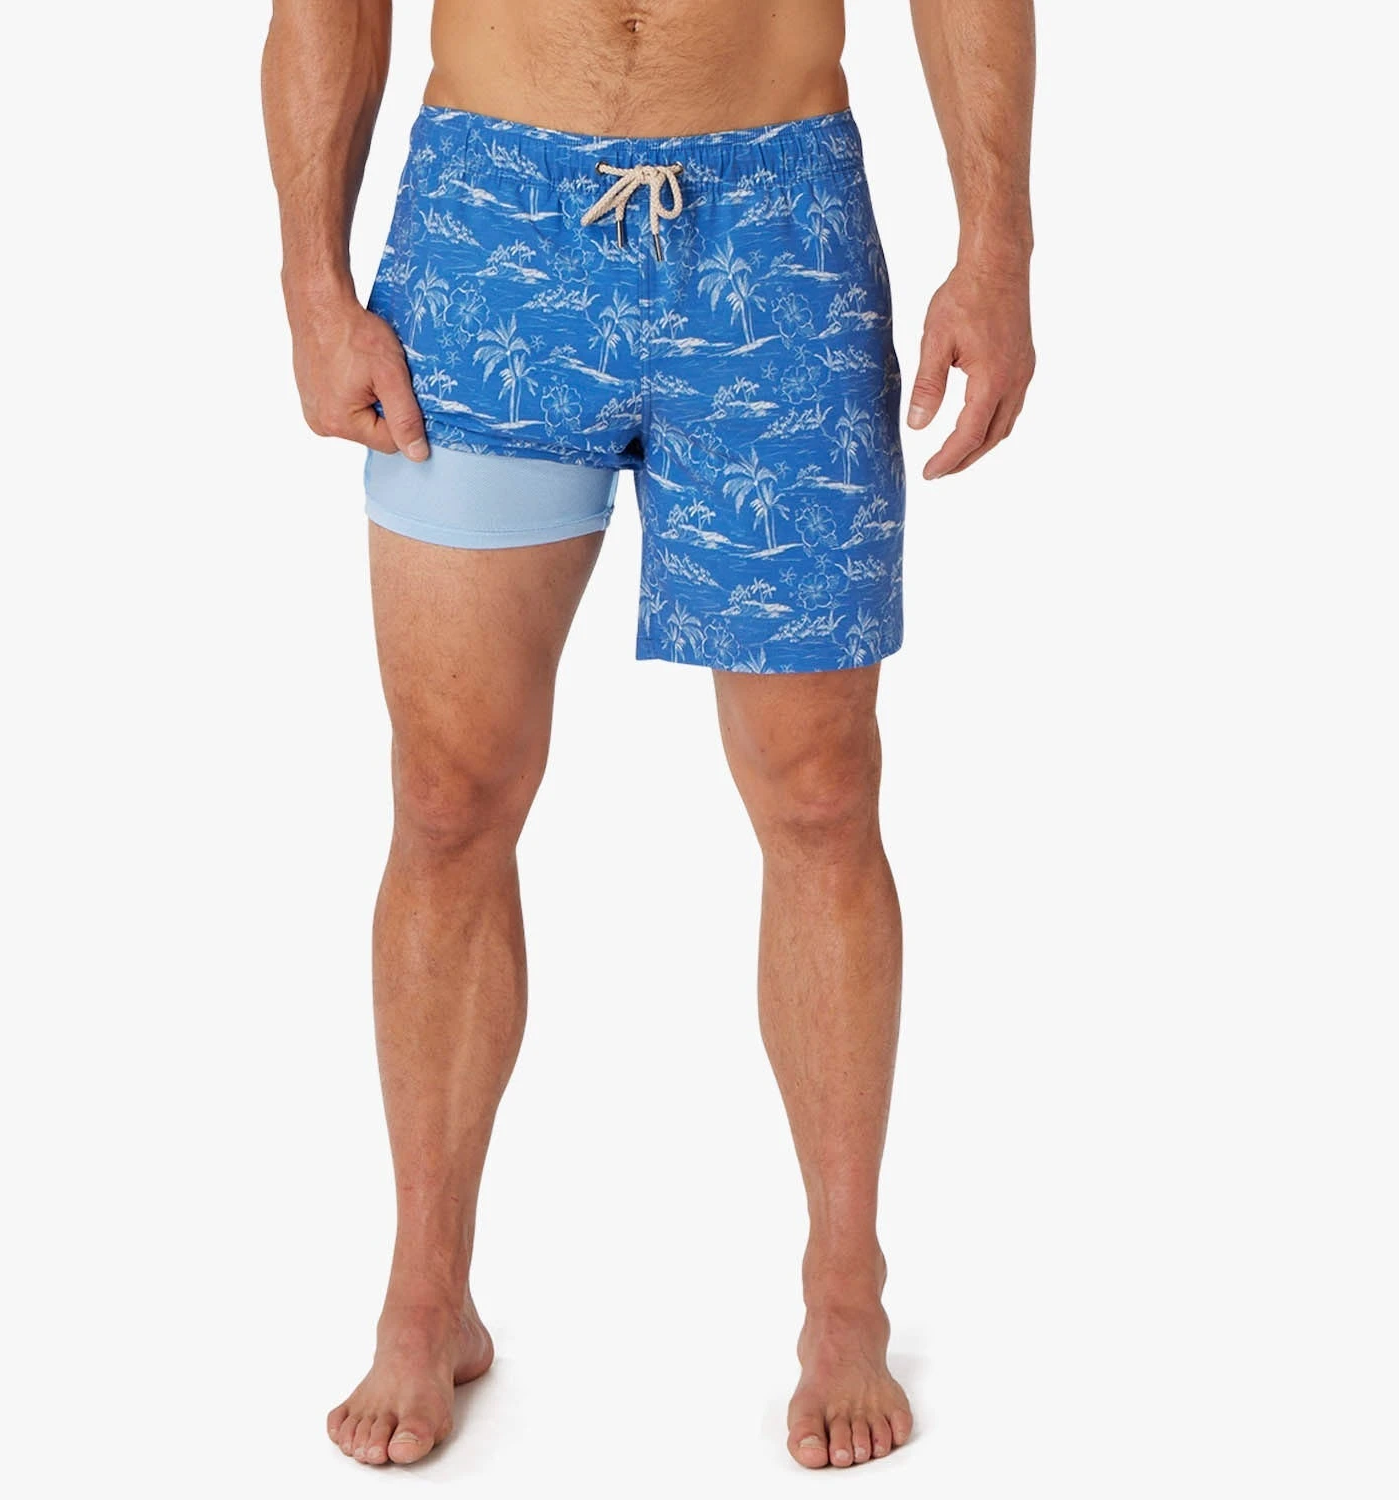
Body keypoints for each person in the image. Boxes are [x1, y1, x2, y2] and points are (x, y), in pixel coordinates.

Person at [261, 0, 1034, 1471]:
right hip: (490, 227)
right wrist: (311, 278)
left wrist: (997, 245)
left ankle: (845, 1289)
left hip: (777, 234)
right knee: (447, 797)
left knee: (821, 792)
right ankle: (427, 1289)